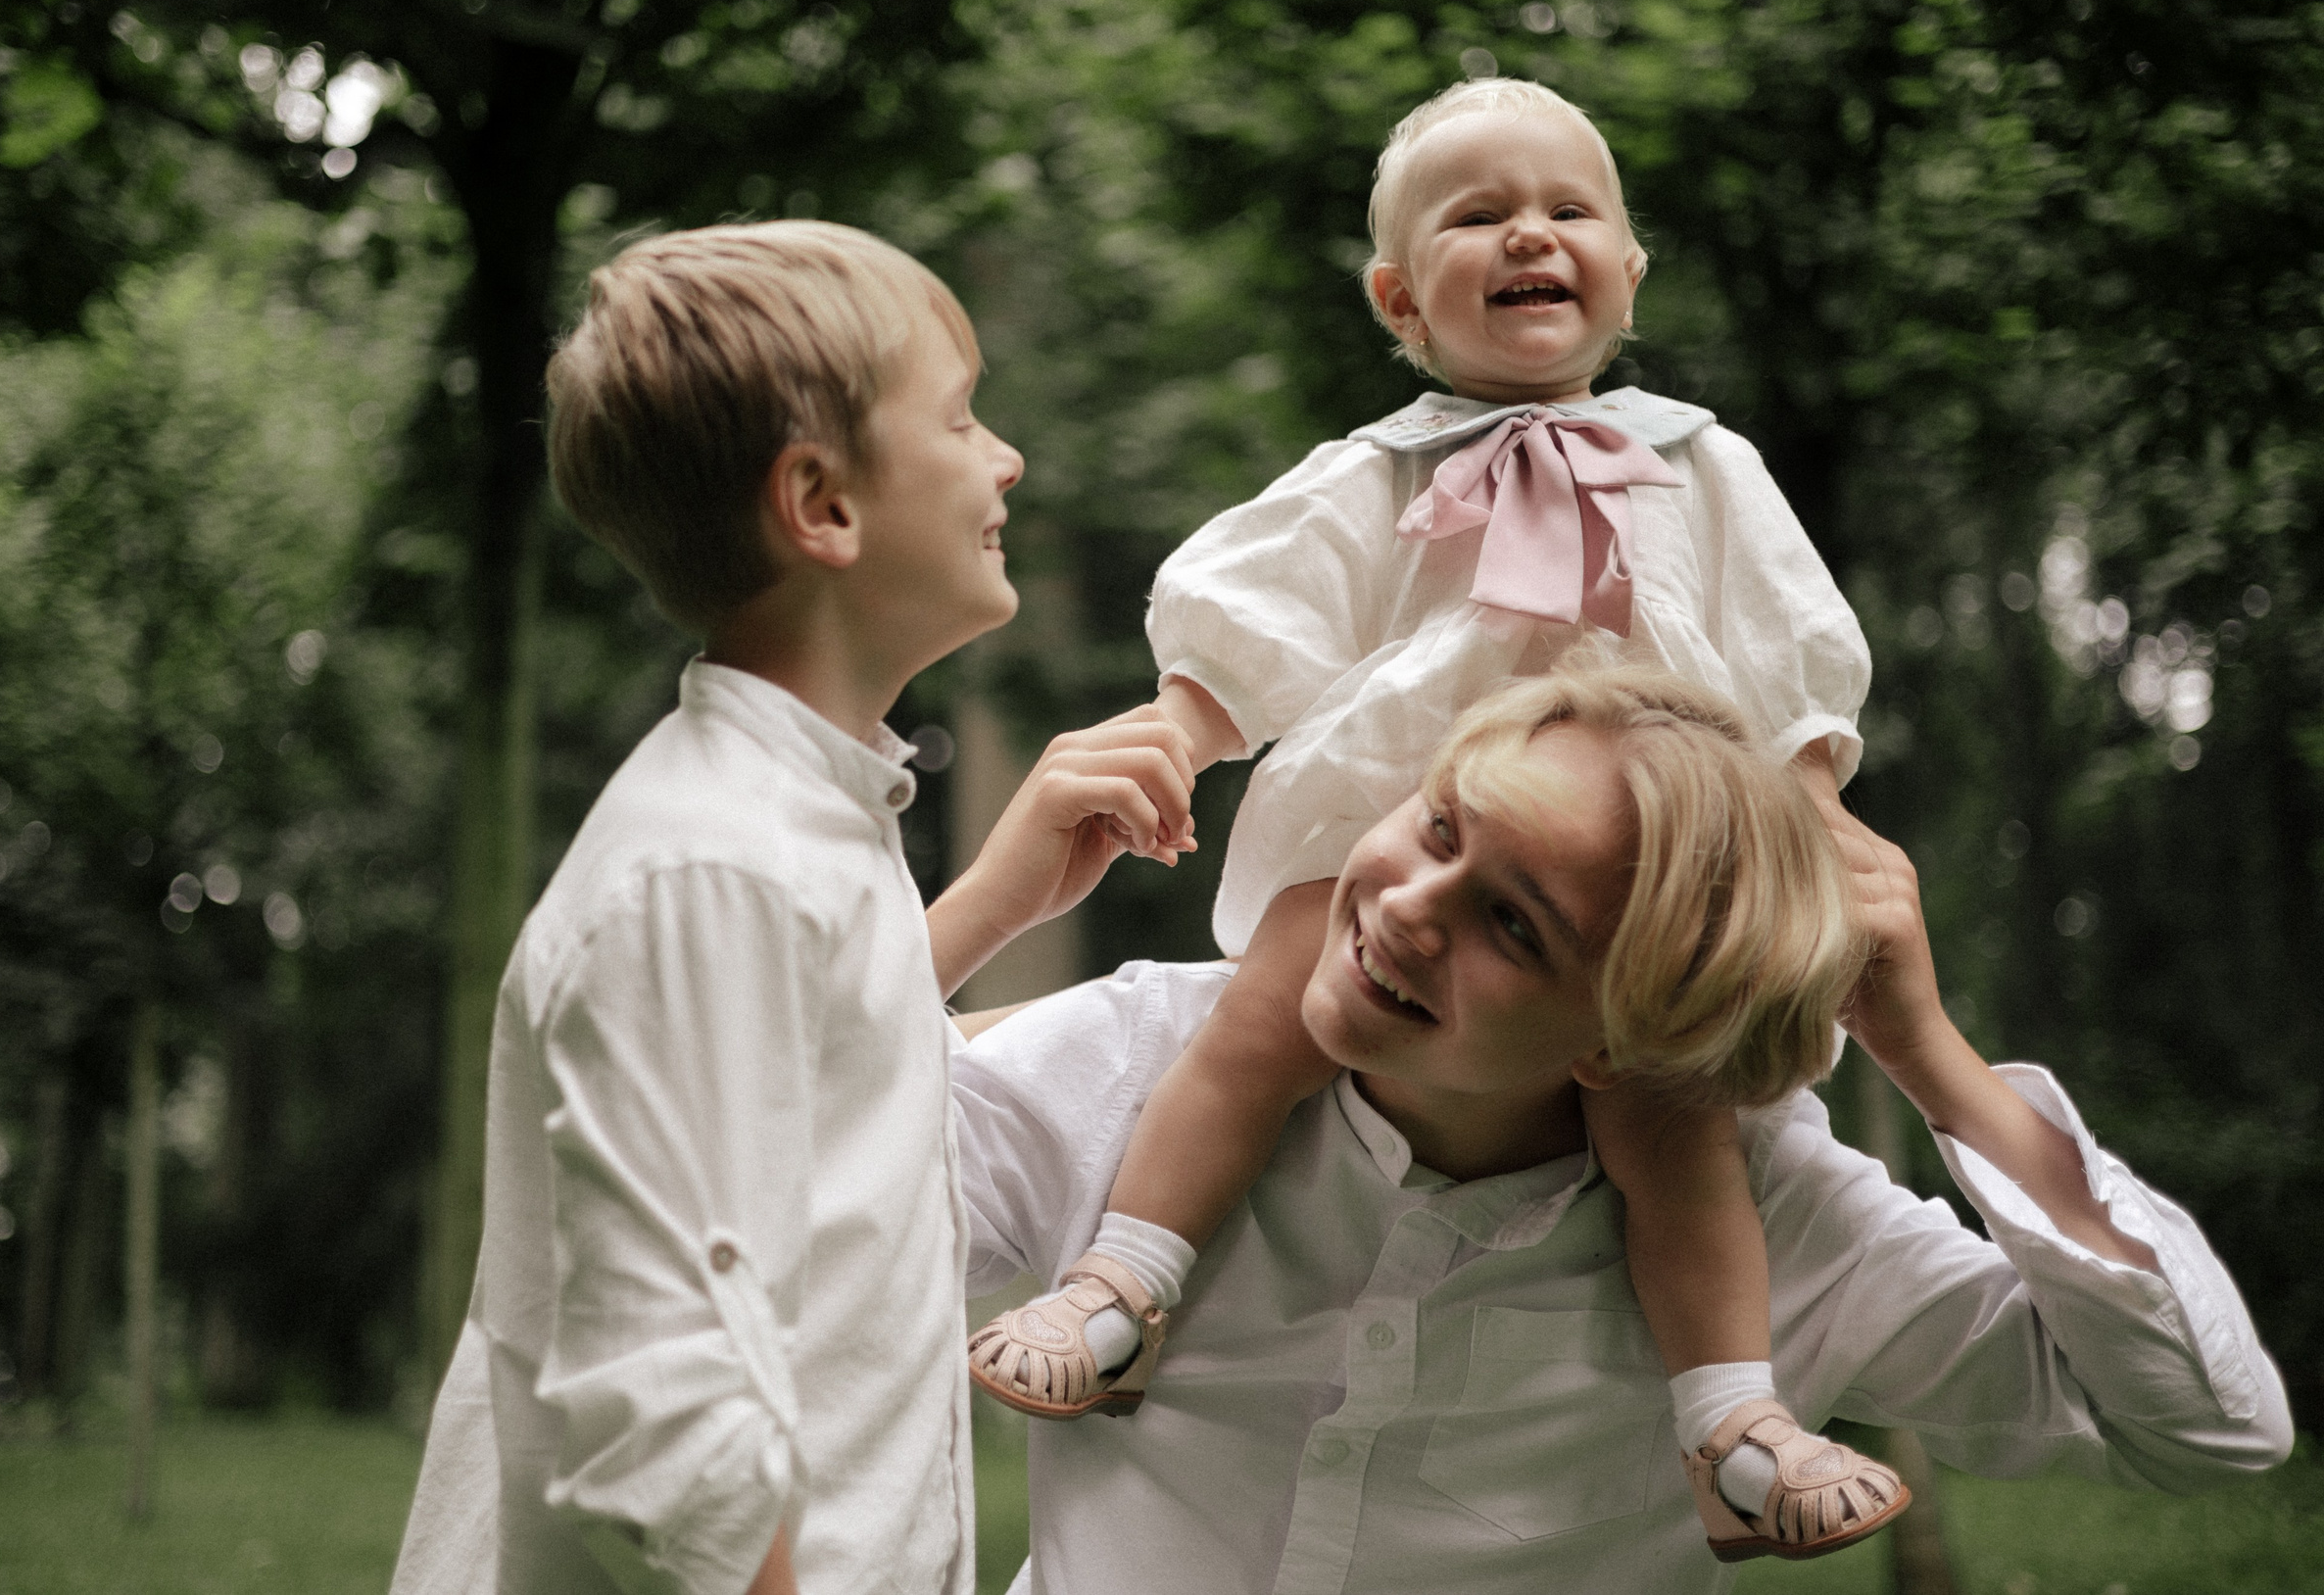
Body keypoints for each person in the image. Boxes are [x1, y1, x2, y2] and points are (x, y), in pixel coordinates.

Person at [967, 76, 1891, 1555]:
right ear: (1403, 301)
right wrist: (1186, 734)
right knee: (1260, 1024)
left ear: (1628, 273)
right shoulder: (1378, 471)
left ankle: (1730, 1416)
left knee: (1673, 1125)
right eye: (1480, 216)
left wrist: (1803, 817)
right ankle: (1126, 1282)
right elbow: (1268, 614)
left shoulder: (1706, 467)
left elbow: (1785, 648)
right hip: (1391, 846)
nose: (1531, 231)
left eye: (1569, 209)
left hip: (1619, 892)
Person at [953, 664, 2293, 1593]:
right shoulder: (1138, 1064)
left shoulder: (1774, 1222)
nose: (1411, 907)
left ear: (1620, 1039)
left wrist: (1929, 1053)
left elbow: (2210, 1430)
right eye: (1437, 828)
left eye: (1515, 925)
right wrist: (975, 918)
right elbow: (773, 1220)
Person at [388, 220, 1200, 1595]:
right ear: (821, 504)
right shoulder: (710, 873)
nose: (1004, 457)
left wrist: (986, 907)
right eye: (958, 418)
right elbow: (668, 1410)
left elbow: (801, 1107)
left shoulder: (787, 831)